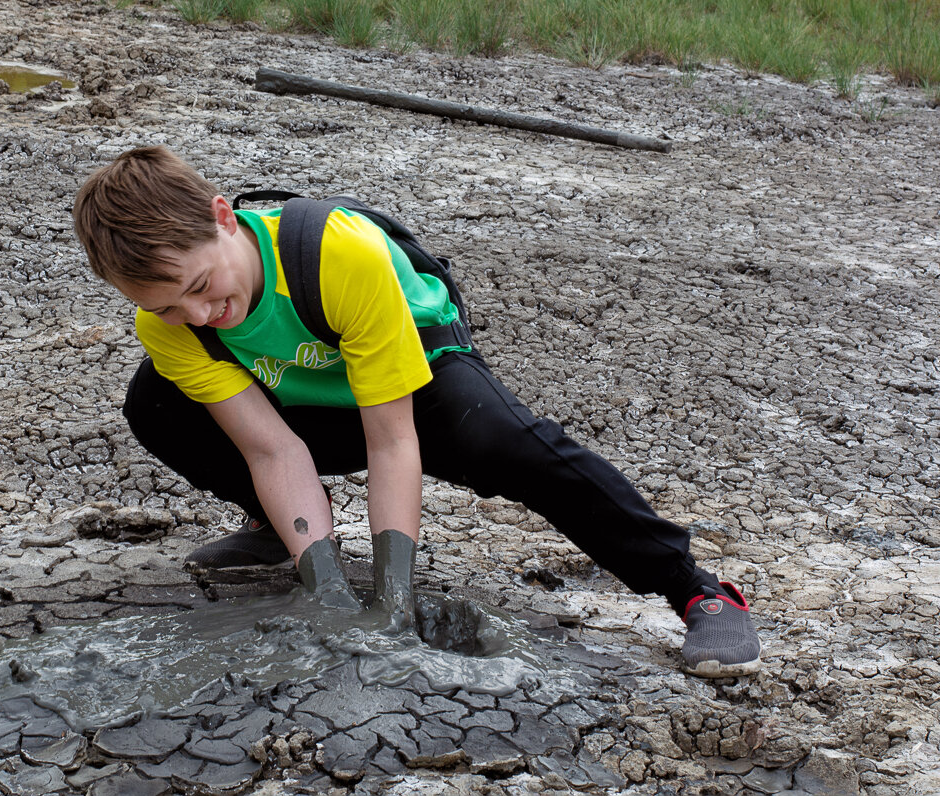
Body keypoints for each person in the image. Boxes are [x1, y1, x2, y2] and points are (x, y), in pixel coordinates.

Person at [72, 145, 761, 677]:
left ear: (224, 218)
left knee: (505, 444)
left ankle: (698, 591)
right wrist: (332, 591)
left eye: (199, 285)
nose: (196, 314)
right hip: (301, 405)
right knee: (156, 401)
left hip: (418, 380)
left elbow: (392, 442)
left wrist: (392, 602)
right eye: (166, 305)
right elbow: (271, 450)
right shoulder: (168, 324)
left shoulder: (338, 254)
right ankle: (283, 535)